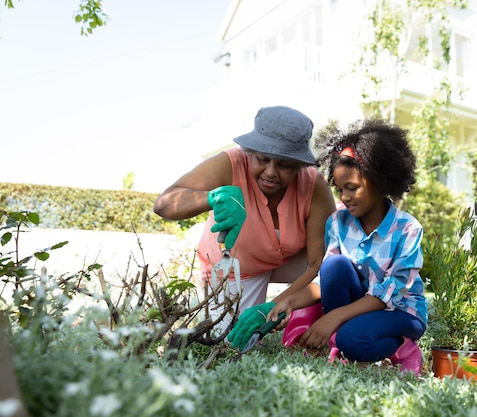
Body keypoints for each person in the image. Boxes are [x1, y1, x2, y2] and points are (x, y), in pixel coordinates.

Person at [228, 119, 427, 373]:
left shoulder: (408, 229)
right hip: (358, 307)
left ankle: (403, 348)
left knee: (352, 341)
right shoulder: (338, 222)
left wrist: (333, 318)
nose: (343, 197)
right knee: (333, 265)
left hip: (401, 312)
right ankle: (338, 341)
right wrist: (288, 303)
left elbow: (389, 293)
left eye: (352, 188)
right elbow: (324, 282)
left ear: (380, 181)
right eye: (340, 188)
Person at [153, 105, 336, 325]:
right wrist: (210, 198)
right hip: (237, 268)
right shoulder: (229, 164)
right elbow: (164, 203)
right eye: (263, 159)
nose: (270, 172)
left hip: (292, 261)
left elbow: (318, 263)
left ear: (299, 165)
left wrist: (276, 306)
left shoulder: (313, 185)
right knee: (230, 340)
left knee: (338, 267)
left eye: (285, 165)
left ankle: (318, 318)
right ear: (250, 153)